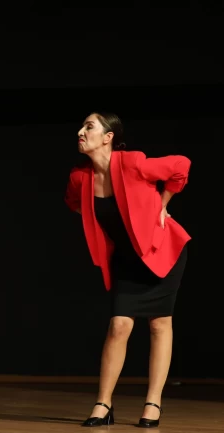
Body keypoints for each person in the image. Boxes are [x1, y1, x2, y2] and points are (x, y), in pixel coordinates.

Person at [64, 112, 191, 428]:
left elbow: (181, 165)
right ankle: (103, 403)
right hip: (126, 259)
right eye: (81, 126)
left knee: (159, 324)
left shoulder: (133, 163)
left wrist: (163, 204)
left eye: (89, 127)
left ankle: (153, 403)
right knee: (118, 325)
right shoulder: (80, 177)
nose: (81, 132)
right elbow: (73, 202)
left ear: (108, 137)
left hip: (161, 252)